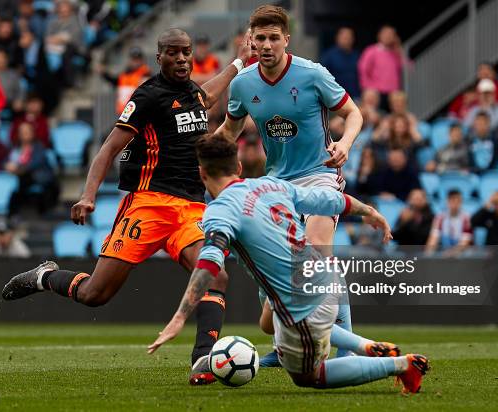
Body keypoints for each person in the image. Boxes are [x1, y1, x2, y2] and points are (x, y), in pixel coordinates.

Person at [2, 28, 253, 386]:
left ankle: (203, 361)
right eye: (173, 53)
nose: (181, 59)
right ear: (159, 57)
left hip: (191, 208)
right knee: (95, 294)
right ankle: (44, 276)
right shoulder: (148, 96)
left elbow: (208, 96)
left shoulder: (191, 93)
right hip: (148, 204)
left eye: (186, 53)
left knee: (216, 274)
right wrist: (88, 194)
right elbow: (108, 148)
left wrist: (240, 62)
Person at [147, 134, 430, 394]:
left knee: (309, 376)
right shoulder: (271, 185)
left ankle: (404, 366)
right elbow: (328, 200)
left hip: (305, 303)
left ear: (202, 173)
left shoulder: (219, 211)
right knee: (268, 320)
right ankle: (363, 345)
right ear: (240, 168)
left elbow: (209, 263)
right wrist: (369, 211)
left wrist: (179, 317)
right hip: (325, 277)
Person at [211, 5, 364, 364]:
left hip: (319, 174)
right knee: (268, 319)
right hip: (276, 185)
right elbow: (229, 132)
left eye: (273, 38)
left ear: (286, 40)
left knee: (317, 254)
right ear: (250, 40)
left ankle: (348, 348)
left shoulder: (312, 74)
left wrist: (344, 144)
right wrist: (202, 156)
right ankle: (285, 347)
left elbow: (353, 113)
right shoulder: (243, 84)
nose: (266, 45)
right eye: (259, 38)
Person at [6, 122, 58, 213]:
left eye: (27, 131)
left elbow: (34, 163)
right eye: (22, 132)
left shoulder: (39, 147)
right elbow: (5, 161)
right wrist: (7, 165)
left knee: (22, 181)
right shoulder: (15, 148)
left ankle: (15, 212)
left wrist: (17, 168)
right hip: (20, 177)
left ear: (32, 133)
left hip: (38, 177)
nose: (24, 134)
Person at [358, 25, 407, 110]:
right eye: (386, 33)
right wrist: (368, 87)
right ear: (379, 35)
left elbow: (407, 69)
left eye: (391, 34)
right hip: (376, 92)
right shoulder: (371, 50)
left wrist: (399, 49)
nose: (388, 36)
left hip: (393, 93)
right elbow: (363, 70)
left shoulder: (396, 53)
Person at [98, 46, 152, 114]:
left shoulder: (145, 73)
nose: (135, 62)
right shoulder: (125, 74)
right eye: (133, 59)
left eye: (137, 59)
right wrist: (104, 74)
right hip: (124, 113)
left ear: (142, 60)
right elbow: (116, 81)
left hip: (138, 113)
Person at [425, 190, 472, 256]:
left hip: (461, 253)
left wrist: (451, 253)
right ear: (447, 201)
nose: (455, 204)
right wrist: (428, 254)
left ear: (461, 202)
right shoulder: (440, 217)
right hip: (445, 252)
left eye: (458, 201)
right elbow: (433, 238)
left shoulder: (466, 218)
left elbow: (465, 242)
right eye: (453, 201)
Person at [320, 27, 360, 99]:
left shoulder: (356, 55)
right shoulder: (329, 55)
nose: (347, 40)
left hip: (355, 95)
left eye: (349, 38)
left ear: (353, 39)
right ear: (337, 38)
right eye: (344, 38)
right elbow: (323, 77)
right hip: (335, 95)